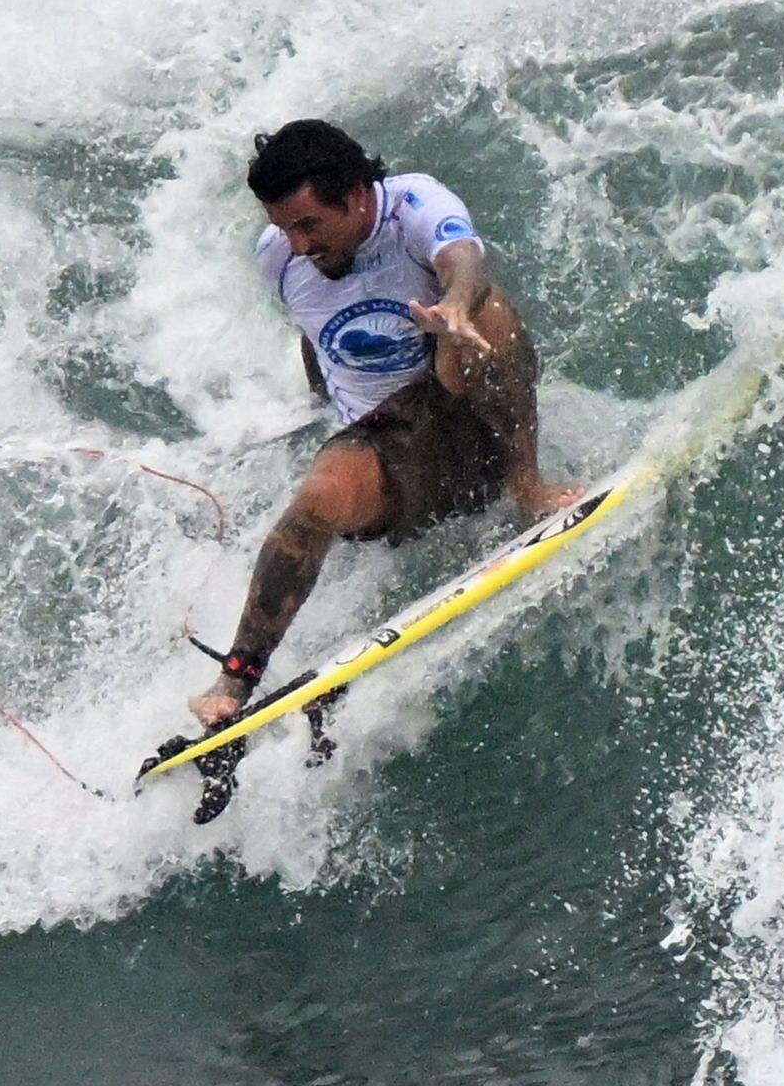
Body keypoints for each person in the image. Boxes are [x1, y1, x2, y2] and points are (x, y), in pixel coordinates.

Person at [188, 119, 583, 730]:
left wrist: (454, 302)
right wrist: (324, 408)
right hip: (391, 449)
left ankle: (526, 486)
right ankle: (235, 679)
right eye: (284, 227)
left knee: (489, 313)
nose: (296, 244)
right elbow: (312, 328)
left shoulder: (414, 206)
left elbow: (464, 261)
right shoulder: (280, 259)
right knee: (316, 501)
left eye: (309, 225)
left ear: (356, 196)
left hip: (465, 418)